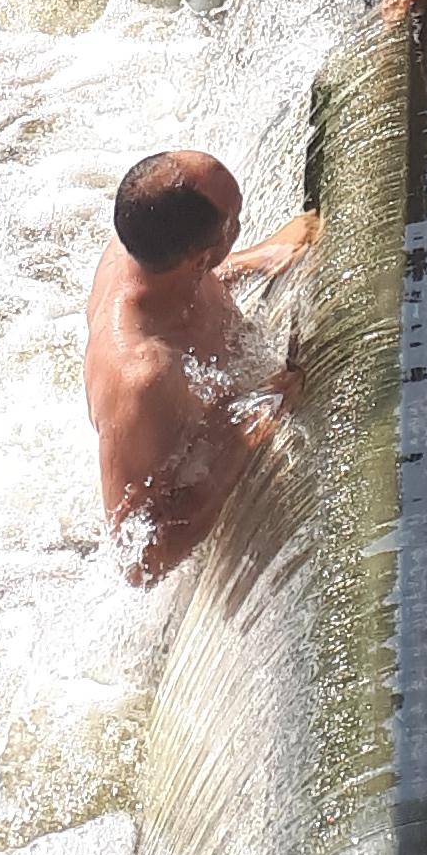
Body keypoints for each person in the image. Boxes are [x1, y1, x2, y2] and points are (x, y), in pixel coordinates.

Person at [84, 148, 322, 581]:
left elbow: (189, 277)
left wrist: (258, 259)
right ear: (199, 258)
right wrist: (240, 443)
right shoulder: (144, 377)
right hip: (180, 453)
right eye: (235, 222)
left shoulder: (145, 240)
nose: (241, 222)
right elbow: (139, 560)